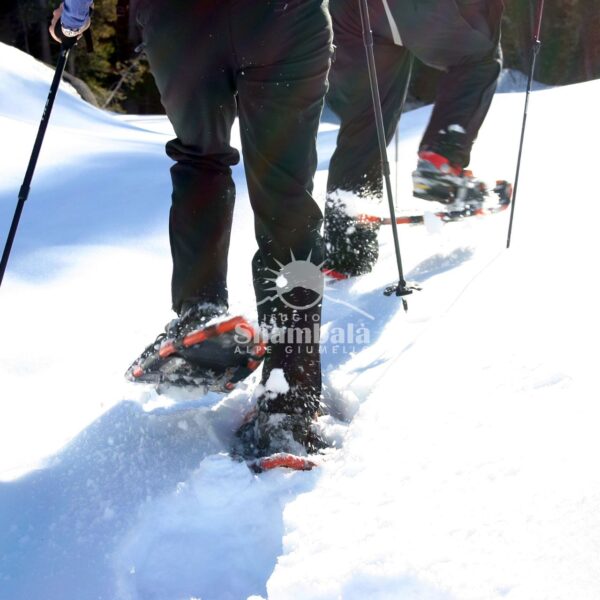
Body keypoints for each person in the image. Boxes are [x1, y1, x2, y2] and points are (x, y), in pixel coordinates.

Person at [50, 0, 333, 458]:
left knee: (201, 159)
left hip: (181, 21)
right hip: (283, 19)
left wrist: (77, 12)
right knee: (285, 197)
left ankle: (200, 310)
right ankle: (291, 401)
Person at [324, 0, 504, 277]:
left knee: (368, 115)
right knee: (479, 58)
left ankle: (347, 240)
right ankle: (441, 162)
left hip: (352, 12)